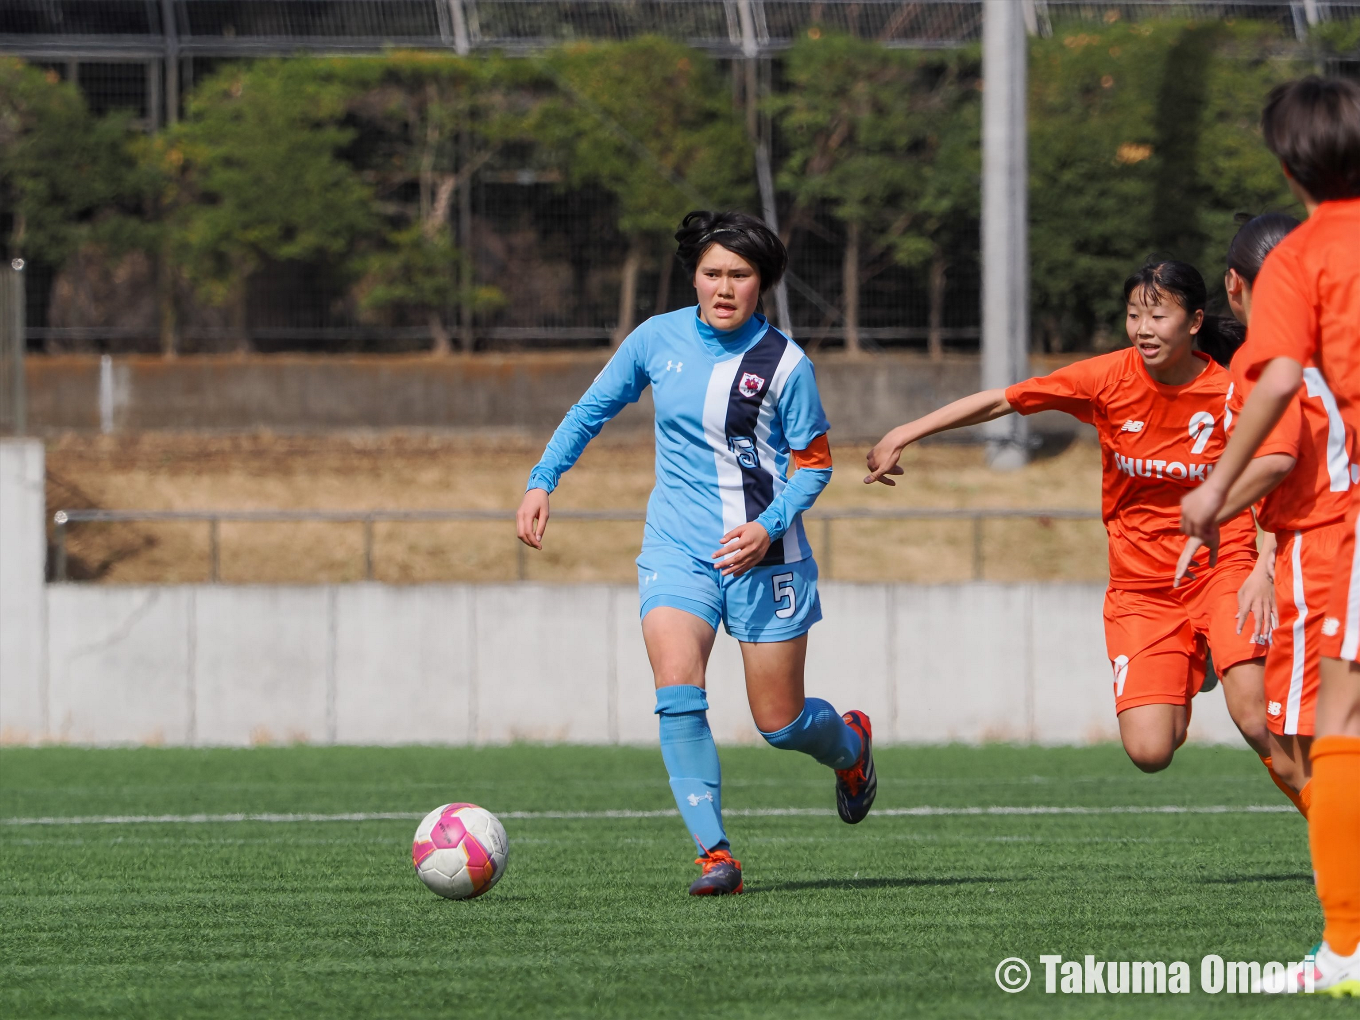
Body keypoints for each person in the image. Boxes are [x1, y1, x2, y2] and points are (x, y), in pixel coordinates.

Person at [516, 210, 876, 897]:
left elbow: (816, 464)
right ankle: (715, 854)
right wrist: (541, 480)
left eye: (739, 275)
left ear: (761, 283)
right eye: (712, 272)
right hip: (676, 549)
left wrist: (767, 526)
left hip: (766, 556)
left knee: (781, 723)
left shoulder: (786, 365)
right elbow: (591, 409)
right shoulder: (657, 338)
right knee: (678, 694)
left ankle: (851, 746)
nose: (723, 286)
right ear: (694, 276)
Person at [865, 258, 1273, 774]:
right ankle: (1198, 660)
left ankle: (1331, 828)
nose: (1143, 330)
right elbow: (1002, 401)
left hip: (1223, 568)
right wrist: (905, 432)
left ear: (1194, 322)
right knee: (1150, 751)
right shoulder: (1107, 377)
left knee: (1256, 720)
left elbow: (1274, 473)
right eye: (1133, 316)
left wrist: (1267, 562)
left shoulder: (1231, 390)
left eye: (1158, 316)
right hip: (1141, 587)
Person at [1180, 76, 1360, 997]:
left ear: (1288, 163)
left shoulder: (1304, 259)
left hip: (1339, 537)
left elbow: (1282, 387)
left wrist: (1214, 490)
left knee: (1334, 731)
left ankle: (1346, 947)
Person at [1174, 212, 1349, 819]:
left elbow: (1278, 458)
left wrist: (1210, 504)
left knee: (1296, 743)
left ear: (1232, 285)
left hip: (1323, 553)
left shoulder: (1262, 359)